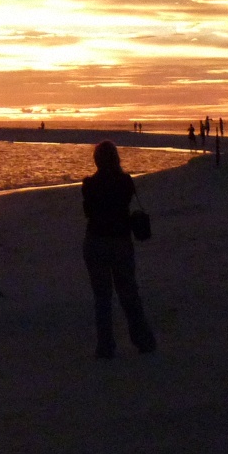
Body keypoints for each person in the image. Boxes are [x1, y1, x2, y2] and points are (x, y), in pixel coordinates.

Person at [80, 140, 156, 358]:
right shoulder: (125, 182)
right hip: (120, 241)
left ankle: (106, 346)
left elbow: (89, 212)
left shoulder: (89, 185)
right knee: (129, 293)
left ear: (97, 160)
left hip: (96, 241)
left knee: (102, 298)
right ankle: (143, 340)